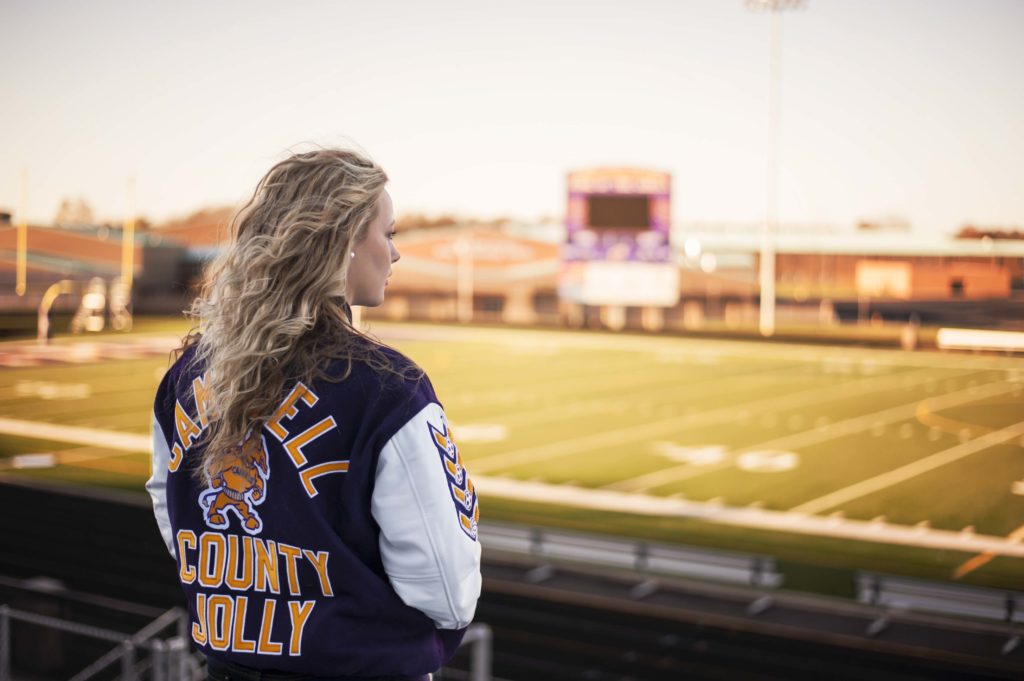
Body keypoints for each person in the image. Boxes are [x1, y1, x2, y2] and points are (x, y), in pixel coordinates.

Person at [146, 148, 482, 681]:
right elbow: (446, 587)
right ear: (345, 241)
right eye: (388, 234)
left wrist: (247, 591)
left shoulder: (186, 375)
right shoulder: (387, 388)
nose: (394, 254)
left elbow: (174, 515)